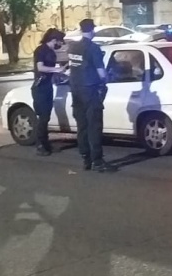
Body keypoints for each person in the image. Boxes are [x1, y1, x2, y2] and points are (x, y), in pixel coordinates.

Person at [67, 18, 115, 173]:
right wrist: (107, 78)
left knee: (82, 126)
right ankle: (97, 161)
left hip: (76, 91)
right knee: (94, 126)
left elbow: (72, 67)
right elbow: (101, 73)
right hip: (90, 91)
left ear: (81, 29)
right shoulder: (93, 48)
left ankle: (86, 159)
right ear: (92, 30)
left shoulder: (73, 46)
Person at [32, 28, 66, 156]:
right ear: (54, 39)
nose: (61, 44)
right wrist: (57, 70)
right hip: (40, 87)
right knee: (43, 117)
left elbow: (52, 71)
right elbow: (40, 67)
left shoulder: (51, 53)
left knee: (46, 117)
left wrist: (62, 74)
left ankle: (46, 144)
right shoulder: (40, 50)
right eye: (60, 41)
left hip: (47, 86)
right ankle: (40, 145)